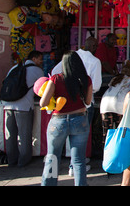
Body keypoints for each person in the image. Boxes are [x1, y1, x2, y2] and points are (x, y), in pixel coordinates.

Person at [40, 51, 93, 186]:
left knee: (52, 158)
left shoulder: (56, 79)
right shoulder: (86, 79)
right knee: (79, 159)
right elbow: (88, 102)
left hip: (59, 120)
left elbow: (43, 103)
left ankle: (49, 184)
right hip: (80, 119)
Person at [51, 36, 102, 175]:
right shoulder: (94, 61)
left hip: (62, 108)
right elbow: (96, 86)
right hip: (83, 106)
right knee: (79, 140)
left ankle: (59, 169)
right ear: (93, 47)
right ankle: (75, 165)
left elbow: (53, 74)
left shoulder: (67, 58)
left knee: (56, 147)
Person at [4, 50, 43, 167]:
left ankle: (11, 160)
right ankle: (23, 161)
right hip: (24, 106)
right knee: (24, 134)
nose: (41, 61)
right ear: (34, 58)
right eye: (40, 59)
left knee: (10, 134)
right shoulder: (37, 71)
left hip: (8, 105)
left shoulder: (15, 68)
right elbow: (42, 89)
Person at [100, 61, 130, 145]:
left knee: (107, 132)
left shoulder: (114, 79)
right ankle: (117, 151)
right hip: (119, 106)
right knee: (120, 132)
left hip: (105, 105)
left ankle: (106, 153)